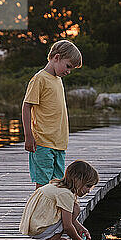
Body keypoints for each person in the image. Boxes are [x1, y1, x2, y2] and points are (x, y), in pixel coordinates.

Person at [22, 40, 82, 189]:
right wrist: (28, 136)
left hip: (59, 143)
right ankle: (38, 211)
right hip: (42, 142)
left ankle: (52, 212)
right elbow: (27, 106)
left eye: (72, 69)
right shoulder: (40, 79)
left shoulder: (58, 80)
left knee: (57, 185)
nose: (68, 71)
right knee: (43, 184)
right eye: (68, 66)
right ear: (56, 57)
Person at [20, 160, 99, 240]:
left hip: (36, 225)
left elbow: (69, 220)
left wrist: (81, 228)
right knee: (75, 208)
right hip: (39, 229)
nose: (89, 191)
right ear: (77, 180)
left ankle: (54, 237)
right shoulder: (65, 194)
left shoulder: (57, 185)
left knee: (72, 209)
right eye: (88, 186)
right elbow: (67, 226)